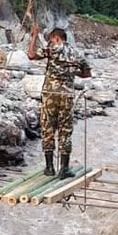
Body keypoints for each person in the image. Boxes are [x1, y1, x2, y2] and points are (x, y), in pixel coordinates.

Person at [28, 25, 91, 179]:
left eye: (51, 39)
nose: (50, 42)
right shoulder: (77, 53)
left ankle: (49, 167)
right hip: (67, 96)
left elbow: (31, 55)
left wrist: (35, 35)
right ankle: (64, 168)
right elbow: (87, 73)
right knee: (65, 131)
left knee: (48, 128)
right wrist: (70, 72)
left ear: (56, 38)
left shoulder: (53, 48)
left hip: (50, 94)